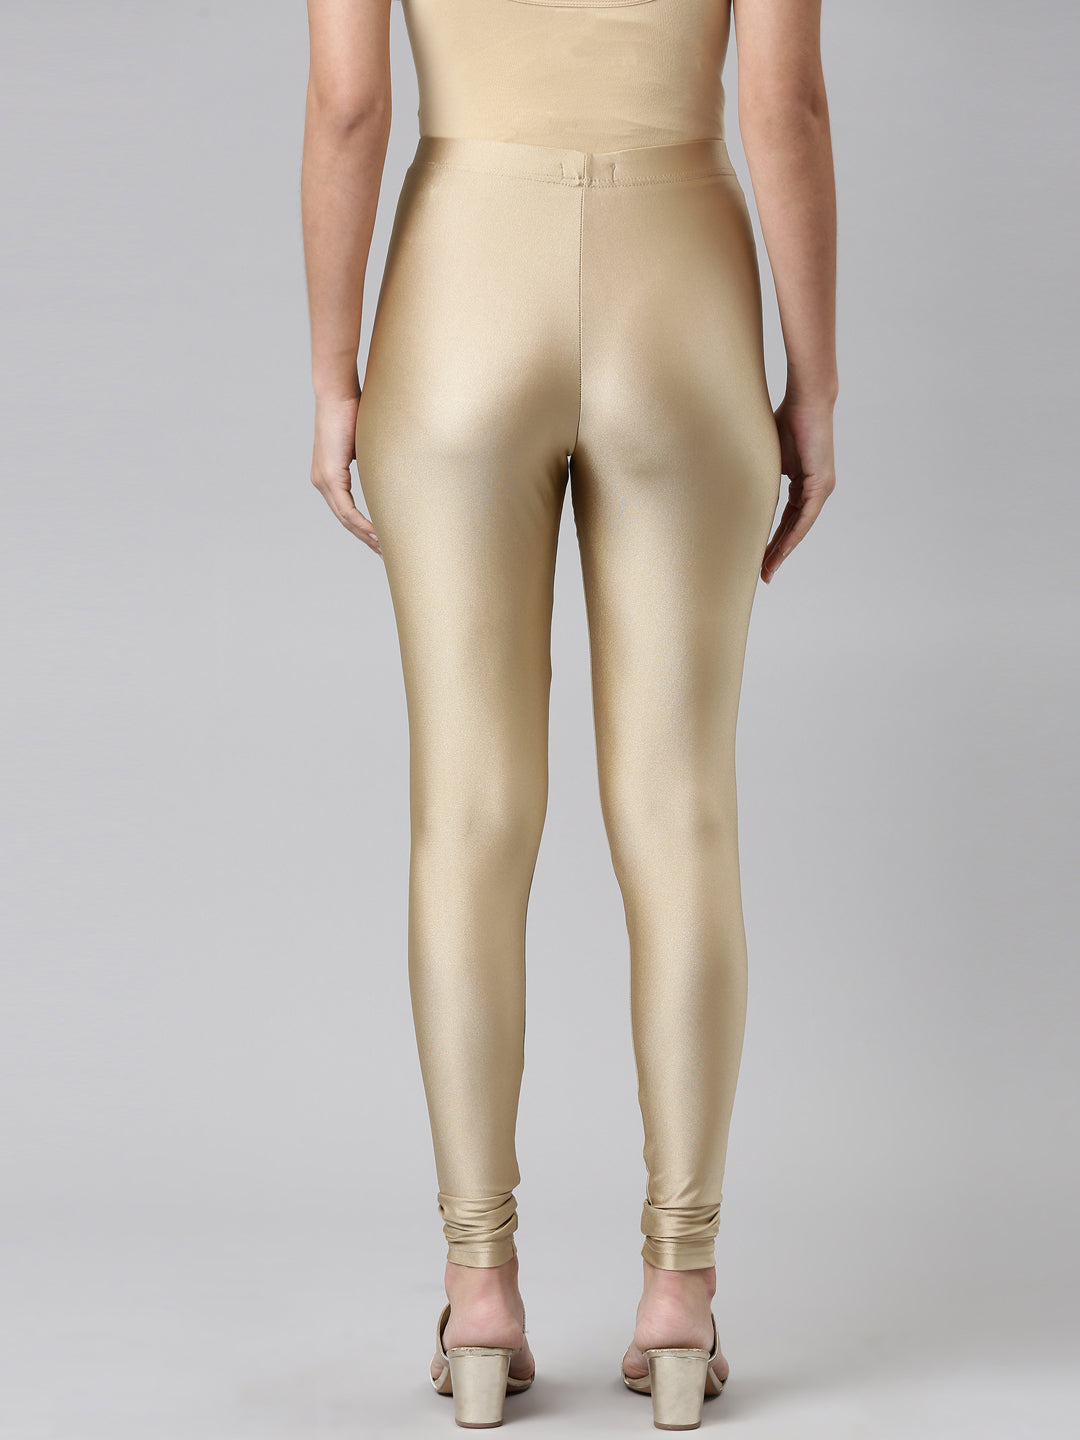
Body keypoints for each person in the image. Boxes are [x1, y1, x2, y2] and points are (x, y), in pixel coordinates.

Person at [301, 0, 836, 1427]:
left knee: (468, 818)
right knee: (682, 813)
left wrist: (333, 371)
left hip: (460, 287)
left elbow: (349, 107)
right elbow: (784, 108)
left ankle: (480, 1294)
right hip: (682, 282)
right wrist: (815, 385)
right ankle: (680, 1297)